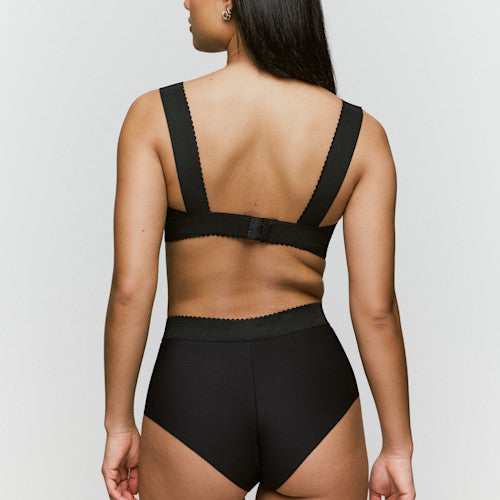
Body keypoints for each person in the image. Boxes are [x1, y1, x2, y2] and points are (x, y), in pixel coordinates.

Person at [102, 1, 416, 499]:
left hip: (195, 387)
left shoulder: (154, 117)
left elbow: (130, 291)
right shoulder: (362, 136)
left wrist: (118, 421)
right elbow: (377, 310)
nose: (186, 1)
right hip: (312, 392)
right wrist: (398, 447)